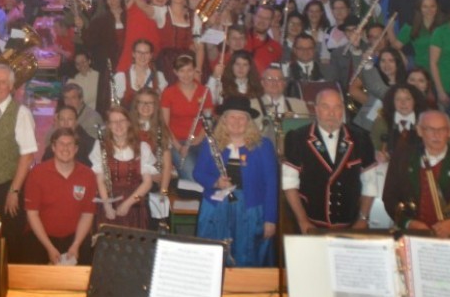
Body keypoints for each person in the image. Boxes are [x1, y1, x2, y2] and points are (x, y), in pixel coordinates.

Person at [193, 97, 278, 267]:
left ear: (249, 121)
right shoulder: (211, 143)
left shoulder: (263, 146)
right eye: (232, 116)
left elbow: (271, 185)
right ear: (224, 120)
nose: (236, 121)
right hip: (216, 209)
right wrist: (215, 182)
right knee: (214, 257)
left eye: (242, 117)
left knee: (247, 256)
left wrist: (270, 219)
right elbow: (198, 173)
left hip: (251, 209)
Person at [281, 88, 378, 232]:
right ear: (316, 109)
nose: (331, 113)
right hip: (311, 225)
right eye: (325, 107)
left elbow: (370, 183)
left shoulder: (361, 138)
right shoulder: (297, 138)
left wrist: (363, 219)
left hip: (351, 226)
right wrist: (303, 221)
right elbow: (289, 183)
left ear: (343, 110)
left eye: (337, 107)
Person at [383, 110, 450, 237]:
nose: (437, 135)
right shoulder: (402, 157)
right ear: (419, 131)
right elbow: (390, 197)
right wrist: (408, 223)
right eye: (430, 129)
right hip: (410, 231)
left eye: (442, 129)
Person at [0, 63, 38, 262]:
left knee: (12, 241)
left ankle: (12, 279)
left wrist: (14, 191)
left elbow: (27, 156)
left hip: (9, 186)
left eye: (3, 82)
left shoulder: (21, 113)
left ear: (12, 86)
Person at [25, 128, 97, 265]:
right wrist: (49, 247)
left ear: (76, 149)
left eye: (70, 144)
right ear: (53, 147)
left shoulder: (88, 175)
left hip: (75, 238)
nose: (65, 148)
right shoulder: (37, 173)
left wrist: (76, 244)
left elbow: (87, 214)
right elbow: (32, 214)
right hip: (42, 238)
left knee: (85, 273)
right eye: (61, 144)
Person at [90, 105, 156, 229]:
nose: (118, 125)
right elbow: (100, 181)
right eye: (114, 122)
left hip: (135, 202)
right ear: (108, 125)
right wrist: (107, 206)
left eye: (122, 120)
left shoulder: (142, 147)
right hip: (108, 201)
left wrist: (128, 203)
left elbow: (147, 184)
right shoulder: (101, 146)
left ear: (129, 123)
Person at [161, 54, 212, 181]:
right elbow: (164, 124)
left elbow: (208, 120)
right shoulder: (168, 93)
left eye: (189, 70)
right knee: (191, 176)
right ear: (175, 72)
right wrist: (178, 147)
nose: (186, 75)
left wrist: (199, 138)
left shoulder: (204, 91)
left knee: (209, 173)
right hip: (176, 141)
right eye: (182, 71)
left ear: (195, 70)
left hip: (201, 140)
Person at [370, 84, 424, 160]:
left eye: (408, 99)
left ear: (415, 101)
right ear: (392, 102)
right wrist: (382, 156)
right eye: (398, 99)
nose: (403, 103)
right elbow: (377, 150)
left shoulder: (425, 121)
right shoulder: (381, 123)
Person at [112, 39, 167, 108]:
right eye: (139, 52)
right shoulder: (121, 77)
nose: (142, 56)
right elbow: (115, 105)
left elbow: (163, 105)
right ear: (133, 54)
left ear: (151, 55)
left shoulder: (159, 77)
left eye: (146, 53)